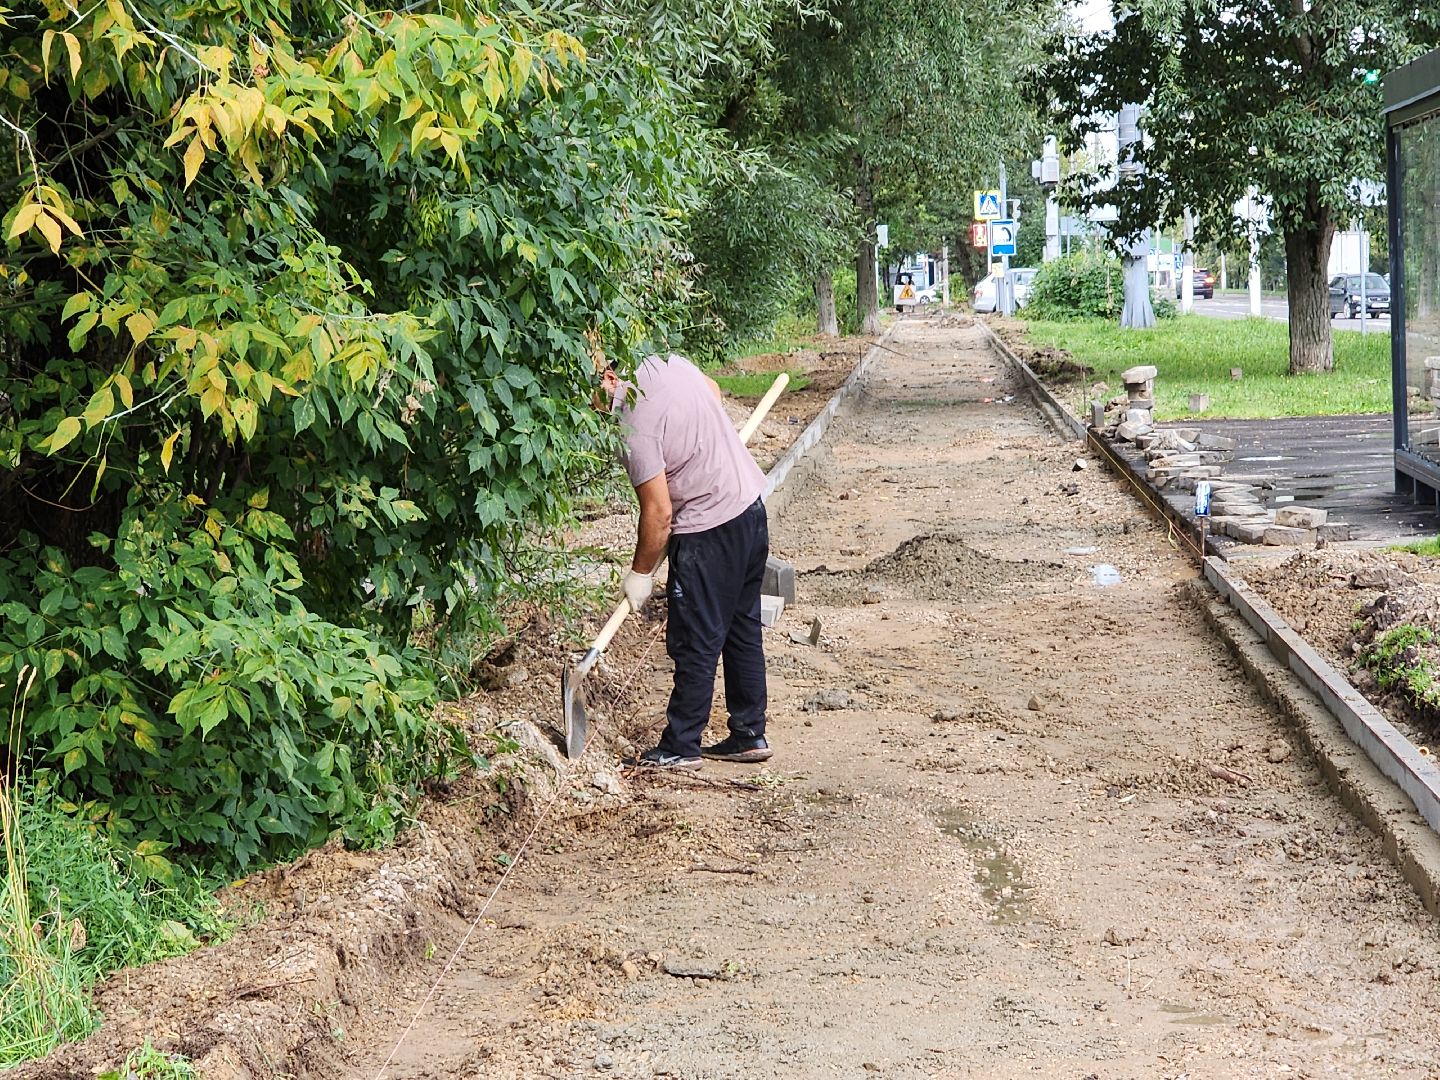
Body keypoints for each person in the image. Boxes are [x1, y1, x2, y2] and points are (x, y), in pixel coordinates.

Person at [598, 353, 773, 769]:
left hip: (708, 530)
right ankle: (749, 734)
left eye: (587, 396)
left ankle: (681, 744)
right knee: (741, 628)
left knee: (695, 637)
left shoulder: (632, 425)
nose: (588, 410)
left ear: (607, 379)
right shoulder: (665, 364)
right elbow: (711, 391)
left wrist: (639, 574)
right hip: (749, 508)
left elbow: (659, 515)